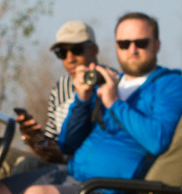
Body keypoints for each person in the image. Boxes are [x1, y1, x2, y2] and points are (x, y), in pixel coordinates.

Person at [0, 12, 182, 194]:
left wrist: (114, 103)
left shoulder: (171, 86)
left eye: (141, 43)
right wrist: (82, 99)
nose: (132, 50)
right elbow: (68, 144)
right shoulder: (111, 81)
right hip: (72, 175)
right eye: (124, 44)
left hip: (111, 193)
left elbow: (157, 140)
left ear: (156, 45)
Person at [15, 21, 115, 165]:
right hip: (61, 164)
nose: (70, 59)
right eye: (62, 53)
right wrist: (33, 139)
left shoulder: (112, 83)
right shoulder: (60, 88)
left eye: (77, 50)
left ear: (94, 50)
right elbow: (52, 140)